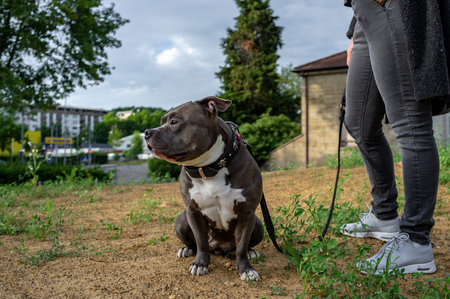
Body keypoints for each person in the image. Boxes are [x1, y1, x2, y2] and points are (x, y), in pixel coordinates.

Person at [340, 0, 450, 274]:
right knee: (359, 123)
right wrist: (355, 29)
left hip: (397, 6)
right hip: (366, 14)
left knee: (411, 125)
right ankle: (384, 215)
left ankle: (416, 239)